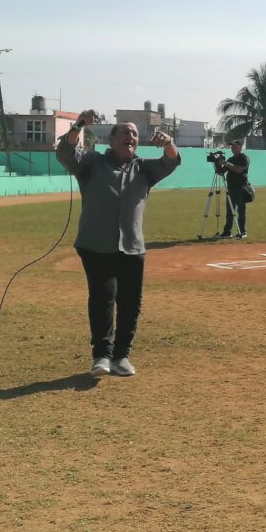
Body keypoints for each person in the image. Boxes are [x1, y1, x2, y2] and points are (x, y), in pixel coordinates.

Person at [56, 111, 181, 378]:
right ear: (110, 139)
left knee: (130, 302)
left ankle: (122, 356)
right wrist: (79, 124)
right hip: (96, 245)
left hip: (132, 247)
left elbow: (171, 162)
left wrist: (169, 141)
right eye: (125, 132)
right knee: (103, 298)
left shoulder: (144, 168)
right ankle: (102, 356)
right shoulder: (91, 162)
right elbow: (65, 152)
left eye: (134, 134)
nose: (130, 137)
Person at [219, 138, 251, 239]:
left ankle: (242, 231)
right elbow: (221, 172)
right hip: (231, 188)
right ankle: (227, 232)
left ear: (240, 147)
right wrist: (217, 162)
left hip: (241, 187)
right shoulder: (231, 159)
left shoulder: (244, 158)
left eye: (234, 146)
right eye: (231, 146)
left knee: (241, 211)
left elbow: (239, 169)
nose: (232, 148)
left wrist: (226, 163)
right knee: (229, 211)